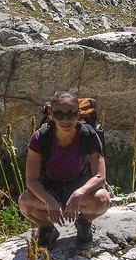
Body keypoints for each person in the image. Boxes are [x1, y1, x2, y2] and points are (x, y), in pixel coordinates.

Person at [18, 91, 111, 250]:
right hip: (50, 189)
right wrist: (49, 200)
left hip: (79, 187)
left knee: (102, 200)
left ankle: (84, 223)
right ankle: (47, 229)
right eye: (59, 114)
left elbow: (100, 175)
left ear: (79, 113)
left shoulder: (88, 135)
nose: (65, 120)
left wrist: (79, 193)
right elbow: (31, 180)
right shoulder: (40, 137)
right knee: (25, 202)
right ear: (51, 114)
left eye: (71, 114)